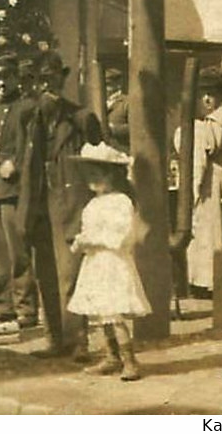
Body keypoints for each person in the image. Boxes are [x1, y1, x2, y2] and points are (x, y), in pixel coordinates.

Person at [27, 53, 102, 360]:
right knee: (45, 274)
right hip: (38, 202)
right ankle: (54, 339)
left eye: (53, 77)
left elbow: (99, 154)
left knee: (70, 273)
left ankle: (78, 340)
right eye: (42, 79)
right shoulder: (31, 117)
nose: (48, 84)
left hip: (69, 200)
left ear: (62, 78)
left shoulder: (80, 117)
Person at [66, 143, 149, 382]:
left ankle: (130, 360)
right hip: (95, 264)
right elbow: (87, 230)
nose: (93, 180)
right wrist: (81, 242)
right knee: (102, 311)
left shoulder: (121, 202)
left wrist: (92, 239)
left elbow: (121, 235)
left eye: (98, 174)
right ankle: (112, 356)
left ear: (113, 176)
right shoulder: (93, 204)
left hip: (113, 262)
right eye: (89, 175)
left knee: (113, 311)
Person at [0, 56, 37, 325]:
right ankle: (3, 306)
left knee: (18, 252)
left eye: (7, 77)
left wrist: (14, 162)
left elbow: (30, 146)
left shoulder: (26, 108)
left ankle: (25, 308)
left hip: (12, 187)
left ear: (16, 79)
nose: (1, 83)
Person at [176, 72, 222, 295]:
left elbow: (205, 152)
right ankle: (210, 279)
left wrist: (194, 188)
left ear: (209, 98)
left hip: (212, 180)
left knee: (209, 229)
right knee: (216, 228)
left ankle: (208, 280)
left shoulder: (215, 120)